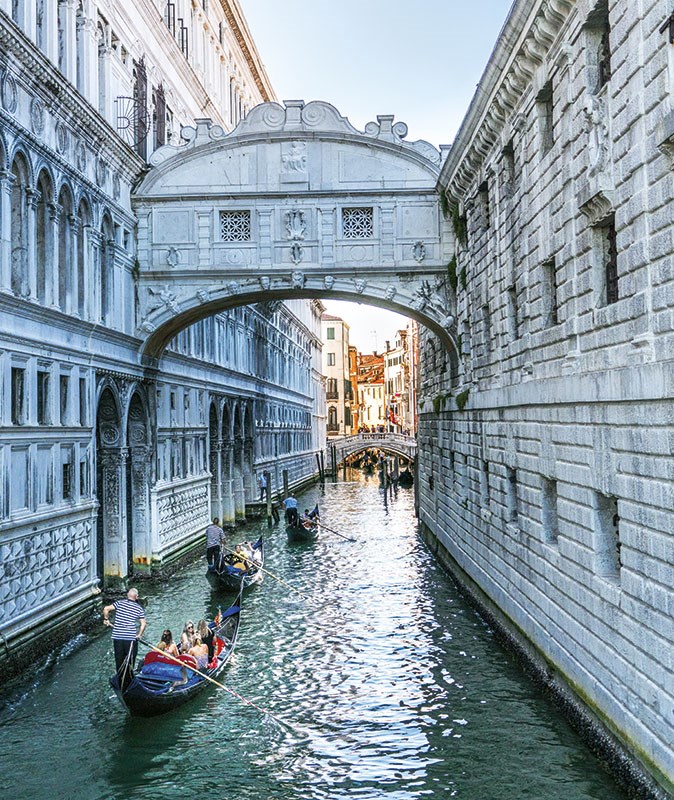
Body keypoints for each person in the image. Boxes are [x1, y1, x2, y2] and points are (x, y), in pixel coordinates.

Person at [103, 587, 147, 690]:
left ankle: (120, 681)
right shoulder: (138, 608)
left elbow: (106, 609)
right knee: (130, 662)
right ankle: (128, 683)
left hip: (117, 637)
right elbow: (143, 624)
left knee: (119, 661)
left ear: (128, 595)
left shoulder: (119, 603)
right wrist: (139, 635)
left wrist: (106, 619)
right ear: (136, 597)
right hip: (130, 639)